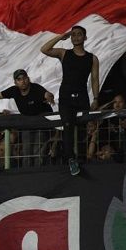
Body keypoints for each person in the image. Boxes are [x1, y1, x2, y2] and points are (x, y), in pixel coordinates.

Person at [0, 68, 54, 167]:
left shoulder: (36, 88)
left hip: (41, 123)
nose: (23, 81)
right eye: (19, 79)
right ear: (15, 82)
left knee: (39, 152)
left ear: (28, 79)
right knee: (27, 151)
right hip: (27, 123)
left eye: (24, 78)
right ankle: (27, 176)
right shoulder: (14, 91)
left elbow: (46, 94)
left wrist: (49, 96)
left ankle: (39, 175)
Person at [41, 25, 100, 175]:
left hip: (82, 98)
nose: (76, 37)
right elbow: (44, 49)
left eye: (79, 34)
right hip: (66, 97)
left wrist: (96, 98)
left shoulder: (92, 58)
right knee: (67, 127)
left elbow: (94, 79)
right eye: (73, 34)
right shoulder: (64, 53)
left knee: (83, 129)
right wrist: (61, 36)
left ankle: (86, 158)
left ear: (85, 37)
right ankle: (71, 160)